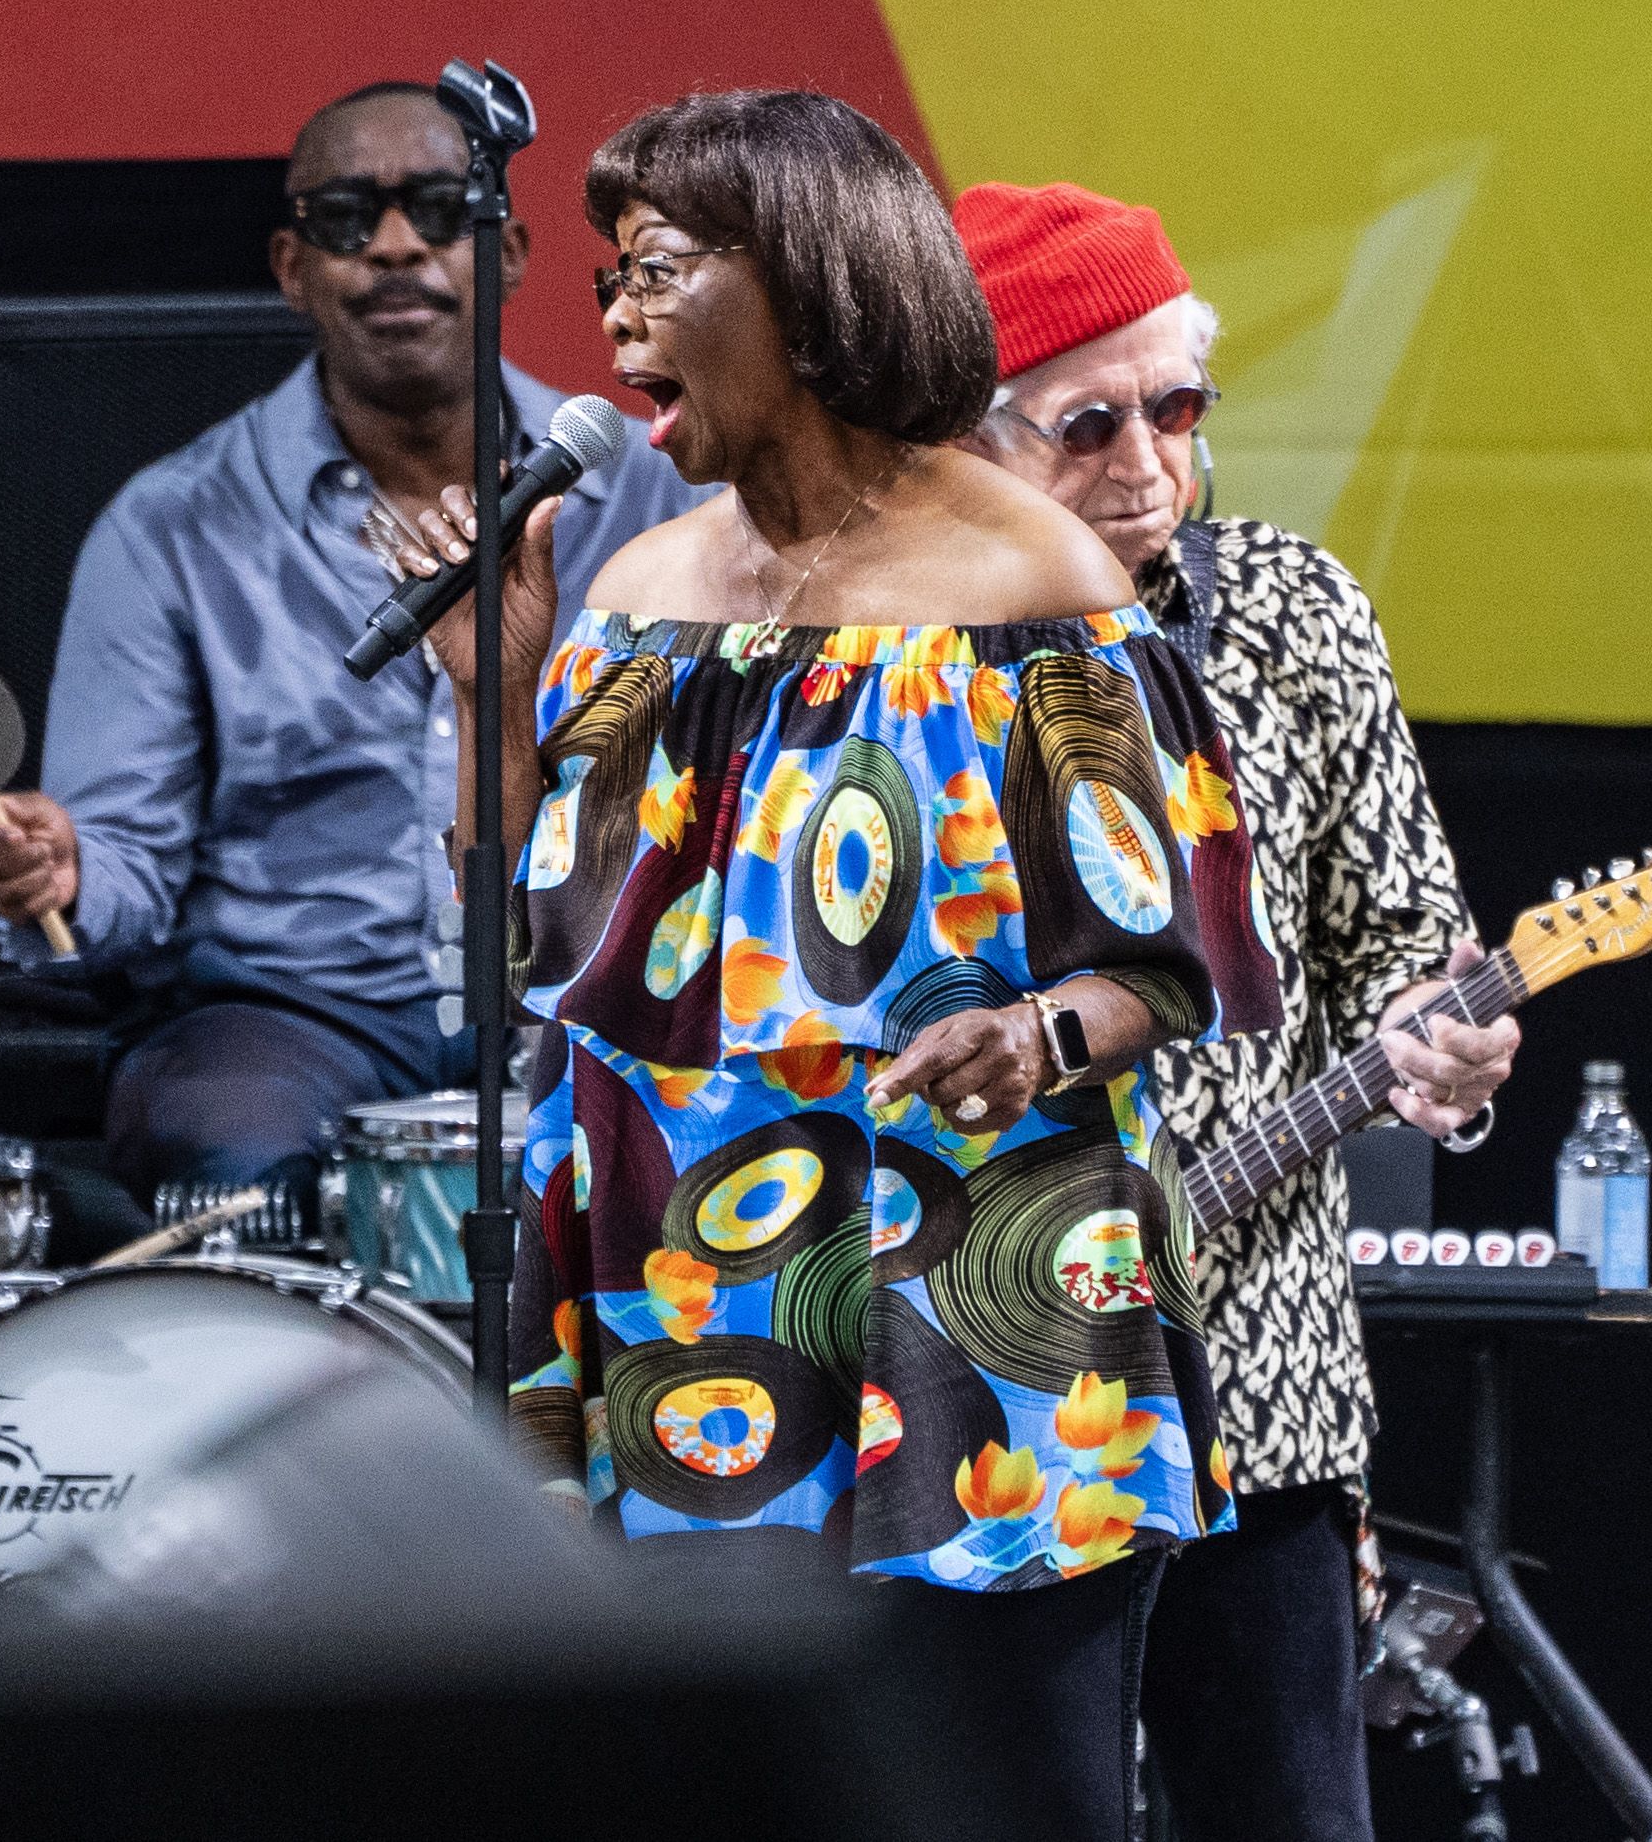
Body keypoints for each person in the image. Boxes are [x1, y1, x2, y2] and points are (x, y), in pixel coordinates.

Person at [424, 90, 1282, 1839]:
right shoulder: (646, 583)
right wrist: (488, 697)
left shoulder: (1024, 573)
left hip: (966, 1291)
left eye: (662, 269)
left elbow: (1168, 954)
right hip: (686, 1302)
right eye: (608, 276)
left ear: (811, 289)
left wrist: (1038, 1033)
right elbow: (533, 944)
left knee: (995, 1798)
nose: (618, 320)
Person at [953, 179, 1516, 1842]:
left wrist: (1450, 1040)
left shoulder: (1291, 610)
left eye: (1177, 408)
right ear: (968, 444)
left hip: (1259, 1380)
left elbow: (1403, 927)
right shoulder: (896, 658)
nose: (1147, 460)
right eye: (1089, 421)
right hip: (999, 1391)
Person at [0, 80, 692, 1205]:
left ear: (508, 253)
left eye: (440, 209)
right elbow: (121, 859)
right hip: (295, 1009)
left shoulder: (646, 492)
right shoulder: (170, 524)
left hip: (586, 982)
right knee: (223, 1139)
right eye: (348, 218)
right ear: (293, 267)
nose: (395, 247)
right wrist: (62, 871)